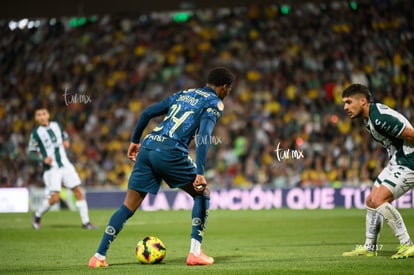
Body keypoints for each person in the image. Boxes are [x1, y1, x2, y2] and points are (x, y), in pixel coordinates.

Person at [88, 67, 235, 268]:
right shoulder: (214, 103)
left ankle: (98, 256)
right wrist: (200, 171)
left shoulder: (185, 93)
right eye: (229, 90)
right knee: (202, 193)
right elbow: (203, 136)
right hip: (171, 151)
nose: (228, 94)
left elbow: (147, 112)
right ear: (224, 88)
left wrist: (134, 140)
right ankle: (195, 253)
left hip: (148, 146)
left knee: (128, 206)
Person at [341, 84, 414, 259]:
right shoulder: (370, 118)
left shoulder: (380, 118)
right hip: (398, 160)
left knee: (380, 199)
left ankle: (407, 244)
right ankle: (369, 247)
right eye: (344, 103)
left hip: (410, 161)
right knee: (371, 200)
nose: (345, 107)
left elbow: (412, 135)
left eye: (349, 102)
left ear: (363, 101)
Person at [28, 106, 97, 230]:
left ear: (48, 115)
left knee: (77, 191)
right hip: (51, 168)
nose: (42, 117)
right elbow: (31, 152)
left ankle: (86, 222)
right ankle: (37, 215)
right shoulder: (36, 133)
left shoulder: (56, 125)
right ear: (36, 118)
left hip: (65, 164)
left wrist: (66, 140)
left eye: (44, 113)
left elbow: (65, 135)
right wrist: (42, 159)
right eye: (39, 115)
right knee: (55, 198)